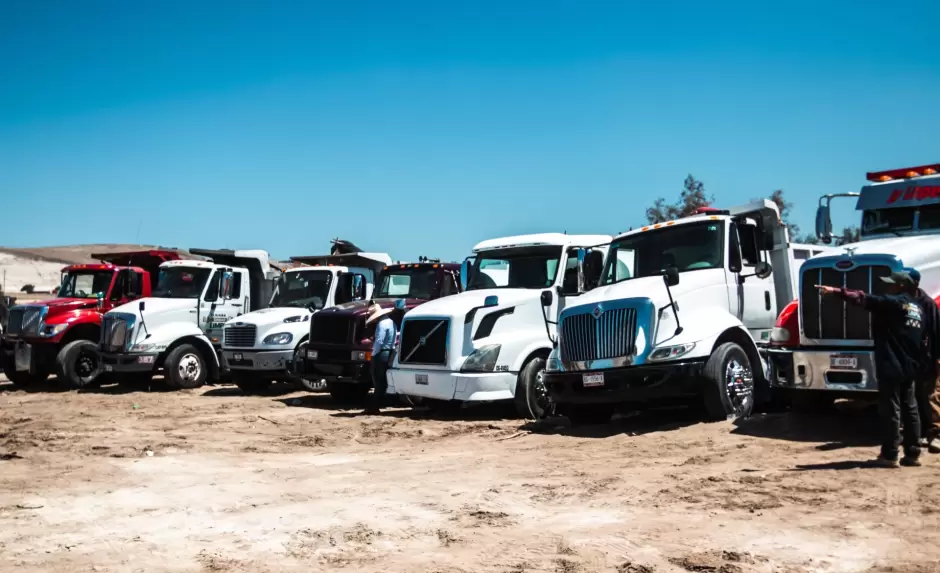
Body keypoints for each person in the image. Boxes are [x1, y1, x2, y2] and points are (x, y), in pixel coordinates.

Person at [817, 270, 924, 468]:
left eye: (891, 283)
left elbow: (863, 298)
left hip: (891, 364)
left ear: (900, 286)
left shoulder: (894, 303)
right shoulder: (917, 308)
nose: (887, 286)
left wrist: (835, 291)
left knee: (891, 408)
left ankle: (890, 454)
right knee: (910, 408)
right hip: (910, 365)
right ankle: (913, 453)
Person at [908, 268, 940, 453]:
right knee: (917, 396)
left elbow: (936, 331)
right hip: (915, 359)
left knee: (932, 397)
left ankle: (936, 435)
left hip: (930, 358)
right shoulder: (905, 301)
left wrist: (937, 358)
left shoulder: (927, 303)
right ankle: (919, 432)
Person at [362, 301, 404, 414]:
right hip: (389, 351)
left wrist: (373, 354)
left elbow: (379, 342)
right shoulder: (392, 323)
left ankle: (374, 406)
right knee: (383, 379)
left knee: (377, 379)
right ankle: (381, 402)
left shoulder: (381, 324)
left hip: (381, 353)